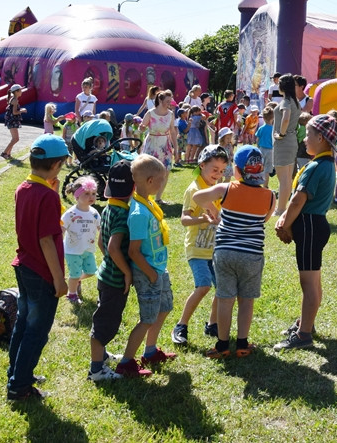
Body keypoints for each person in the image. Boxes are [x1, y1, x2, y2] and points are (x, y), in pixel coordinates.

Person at [195, 146, 276, 358]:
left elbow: (198, 198)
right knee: (246, 300)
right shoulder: (270, 196)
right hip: (252, 255)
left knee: (224, 298)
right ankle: (242, 344)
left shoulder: (225, 189)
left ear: (237, 170)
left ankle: (222, 345)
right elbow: (264, 219)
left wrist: (215, 212)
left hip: (224, 254)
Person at [7, 134, 70, 401]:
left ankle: (16, 372)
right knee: (36, 330)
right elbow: (46, 239)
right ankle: (19, 387)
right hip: (42, 272)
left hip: (23, 266)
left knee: (23, 323)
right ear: (56, 165)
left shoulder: (23, 188)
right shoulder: (48, 197)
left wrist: (51, 192)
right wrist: (59, 278)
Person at [273, 114, 337, 350]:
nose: (305, 138)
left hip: (310, 225)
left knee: (308, 283)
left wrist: (284, 224)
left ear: (320, 138)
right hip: (313, 225)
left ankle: (303, 335)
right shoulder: (326, 163)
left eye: (308, 134)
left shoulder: (317, 166)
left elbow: (298, 200)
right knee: (314, 281)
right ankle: (306, 323)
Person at [118, 155, 176, 376]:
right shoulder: (139, 213)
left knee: (165, 307)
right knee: (147, 319)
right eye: (162, 179)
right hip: (148, 272)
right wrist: (151, 274)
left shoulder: (148, 202)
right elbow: (134, 251)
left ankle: (150, 352)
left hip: (158, 269)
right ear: (151, 181)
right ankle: (126, 362)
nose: (163, 183)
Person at [88, 161, 142, 382]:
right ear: (133, 187)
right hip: (114, 280)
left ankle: (101, 355)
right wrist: (126, 272)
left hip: (106, 274)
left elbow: (101, 242)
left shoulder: (110, 207)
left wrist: (109, 261)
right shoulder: (122, 214)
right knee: (104, 325)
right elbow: (111, 246)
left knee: (106, 319)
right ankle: (96, 370)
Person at [171, 146, 228, 346]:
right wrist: (201, 219)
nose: (218, 174)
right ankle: (181, 325)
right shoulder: (194, 189)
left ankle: (212, 324)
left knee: (222, 289)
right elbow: (184, 219)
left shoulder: (218, 190)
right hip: (197, 249)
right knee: (203, 285)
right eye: (214, 169)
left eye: (222, 171)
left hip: (215, 249)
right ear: (202, 165)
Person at [62, 176, 101, 304]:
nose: (91, 196)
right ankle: (71, 294)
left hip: (88, 249)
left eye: (94, 194)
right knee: (74, 274)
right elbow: (61, 228)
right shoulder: (70, 214)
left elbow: (100, 228)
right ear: (77, 196)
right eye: (87, 194)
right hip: (73, 250)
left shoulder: (95, 213)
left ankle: (76, 280)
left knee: (91, 271)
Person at [140, 90, 178, 203]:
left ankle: (158, 198)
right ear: (160, 100)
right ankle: (145, 196)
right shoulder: (150, 113)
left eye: (170, 101)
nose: (169, 104)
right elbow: (141, 128)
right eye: (167, 101)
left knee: (165, 171)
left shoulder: (170, 114)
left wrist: (176, 148)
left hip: (164, 145)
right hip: (152, 143)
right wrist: (141, 128)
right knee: (149, 171)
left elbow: (172, 131)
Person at [272, 75, 301, 215]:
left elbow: (286, 118)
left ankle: (281, 209)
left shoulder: (286, 102)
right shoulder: (296, 102)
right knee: (288, 178)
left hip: (283, 141)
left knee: (283, 178)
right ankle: (283, 207)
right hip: (292, 140)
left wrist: (281, 134)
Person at [0, 84, 26, 159]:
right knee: (16, 139)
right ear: (16, 92)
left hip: (12, 121)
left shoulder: (14, 99)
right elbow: (14, 112)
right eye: (20, 90)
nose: (21, 91)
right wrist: (22, 110)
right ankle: (4, 153)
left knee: (14, 138)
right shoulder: (14, 100)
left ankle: (8, 154)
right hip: (12, 121)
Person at [256, 106, 275, 186]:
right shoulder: (274, 129)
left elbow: (257, 139)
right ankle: (265, 186)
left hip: (261, 149)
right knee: (267, 169)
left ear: (263, 118)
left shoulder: (261, 128)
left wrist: (258, 147)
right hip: (270, 151)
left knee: (260, 168)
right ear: (273, 117)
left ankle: (258, 184)